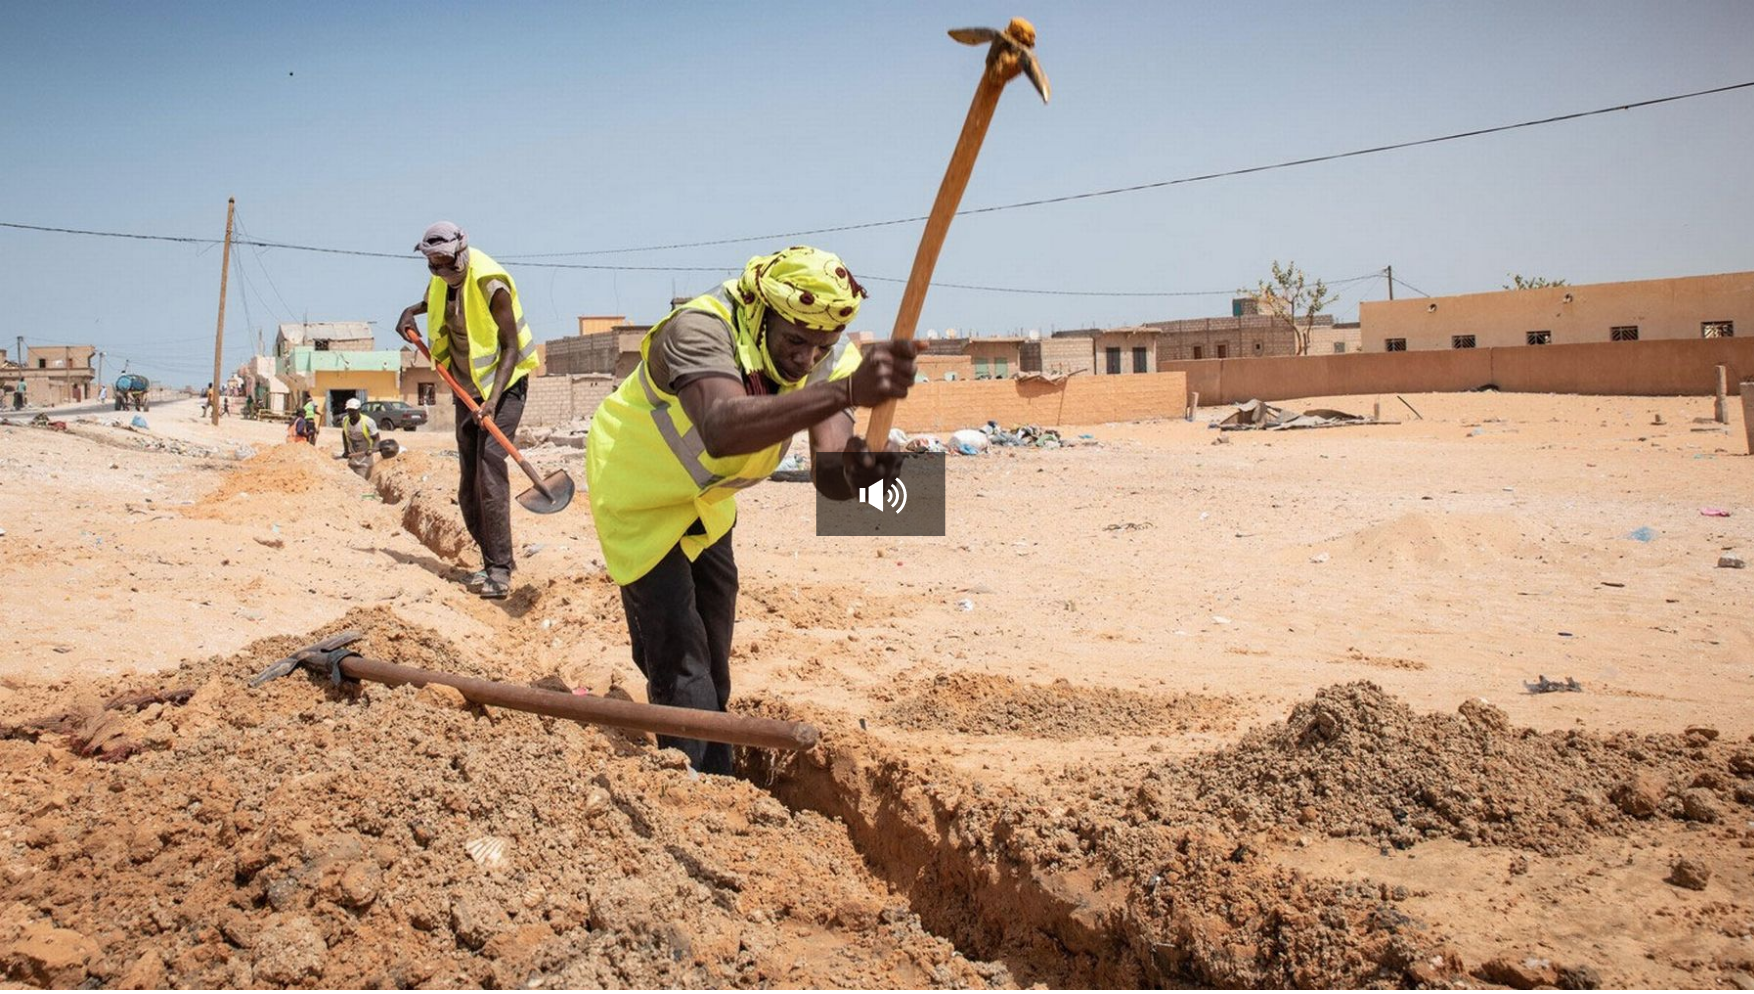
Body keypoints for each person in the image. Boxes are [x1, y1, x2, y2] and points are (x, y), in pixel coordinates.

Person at [586, 246, 921, 775]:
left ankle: (714, 764)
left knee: (715, 649)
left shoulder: (825, 356)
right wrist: (845, 391)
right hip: (638, 492)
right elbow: (720, 429)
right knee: (679, 650)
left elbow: (829, 478)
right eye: (795, 342)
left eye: (823, 348)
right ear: (762, 311)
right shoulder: (698, 330)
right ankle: (698, 787)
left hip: (707, 501)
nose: (807, 360)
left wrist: (862, 477)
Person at [397, 221, 538, 600]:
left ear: (461, 252)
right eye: (433, 265)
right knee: (468, 485)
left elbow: (510, 347)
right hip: (467, 391)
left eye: (445, 263)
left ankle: (500, 570)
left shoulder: (491, 283)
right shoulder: (441, 280)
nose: (440, 271)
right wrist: (409, 312)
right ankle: (491, 557)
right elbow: (430, 303)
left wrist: (491, 403)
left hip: (503, 388)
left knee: (491, 466)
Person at [339, 397, 379, 480]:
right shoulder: (345, 420)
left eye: (353, 410)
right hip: (352, 461)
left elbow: (377, 438)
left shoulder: (368, 422)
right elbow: (344, 433)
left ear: (359, 410)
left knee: (363, 485)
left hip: (365, 462)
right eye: (349, 410)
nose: (351, 413)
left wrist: (371, 449)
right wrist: (346, 450)